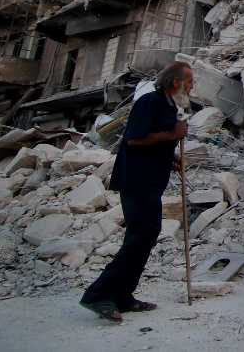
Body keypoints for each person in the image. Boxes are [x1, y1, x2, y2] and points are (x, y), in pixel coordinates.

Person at [80, 62, 191, 323]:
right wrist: (171, 135)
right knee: (144, 233)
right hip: (136, 179)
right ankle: (98, 294)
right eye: (190, 80)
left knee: (143, 234)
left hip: (151, 179)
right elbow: (133, 139)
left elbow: (153, 139)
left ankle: (122, 295)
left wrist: (170, 154)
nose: (192, 85)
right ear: (175, 82)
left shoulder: (168, 106)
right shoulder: (149, 101)